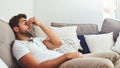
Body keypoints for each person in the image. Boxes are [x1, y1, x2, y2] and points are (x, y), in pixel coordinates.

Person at [9, 14, 120, 68]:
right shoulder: (18, 46)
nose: (29, 24)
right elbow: (37, 67)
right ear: (16, 29)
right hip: (61, 64)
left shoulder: (36, 40)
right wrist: (66, 56)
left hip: (67, 58)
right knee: (106, 64)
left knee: (114, 56)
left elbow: (58, 43)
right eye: (24, 22)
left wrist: (40, 24)